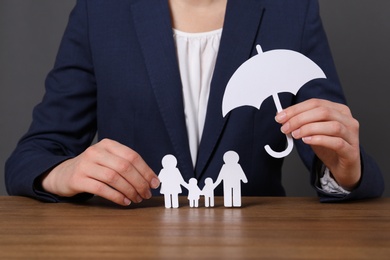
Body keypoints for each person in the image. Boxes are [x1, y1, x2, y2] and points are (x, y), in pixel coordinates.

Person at [5, 0, 384, 206]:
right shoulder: (100, 10)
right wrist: (63, 173)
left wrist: (343, 170)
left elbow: (336, 148)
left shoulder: (291, 10)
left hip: (255, 245)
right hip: (128, 244)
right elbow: (32, 156)